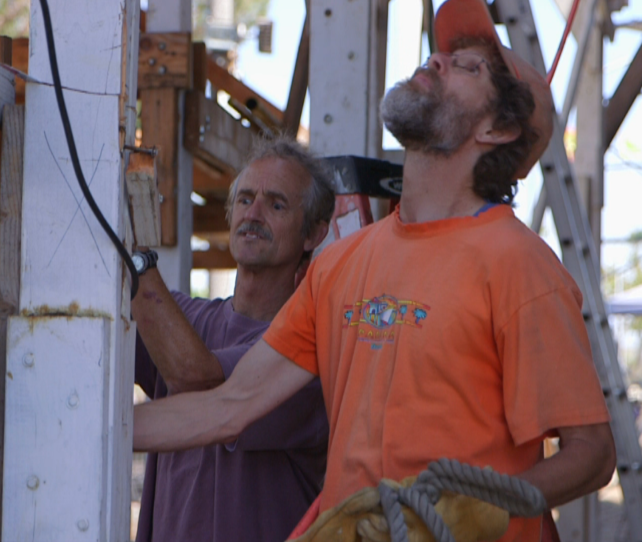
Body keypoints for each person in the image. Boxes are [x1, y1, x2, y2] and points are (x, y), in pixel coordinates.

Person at [133, 0, 616, 540]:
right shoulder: (341, 262)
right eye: (445, 55)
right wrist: (91, 430)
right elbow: (228, 405)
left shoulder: (521, 266)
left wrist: (489, 504)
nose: (438, 61)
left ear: (498, 130)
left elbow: (593, 454)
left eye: (469, 67)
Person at [131, 137, 335, 542]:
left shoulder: (311, 350)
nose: (253, 214)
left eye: (276, 204)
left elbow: (198, 380)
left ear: (313, 233)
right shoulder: (182, 318)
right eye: (244, 200)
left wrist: (133, 256)